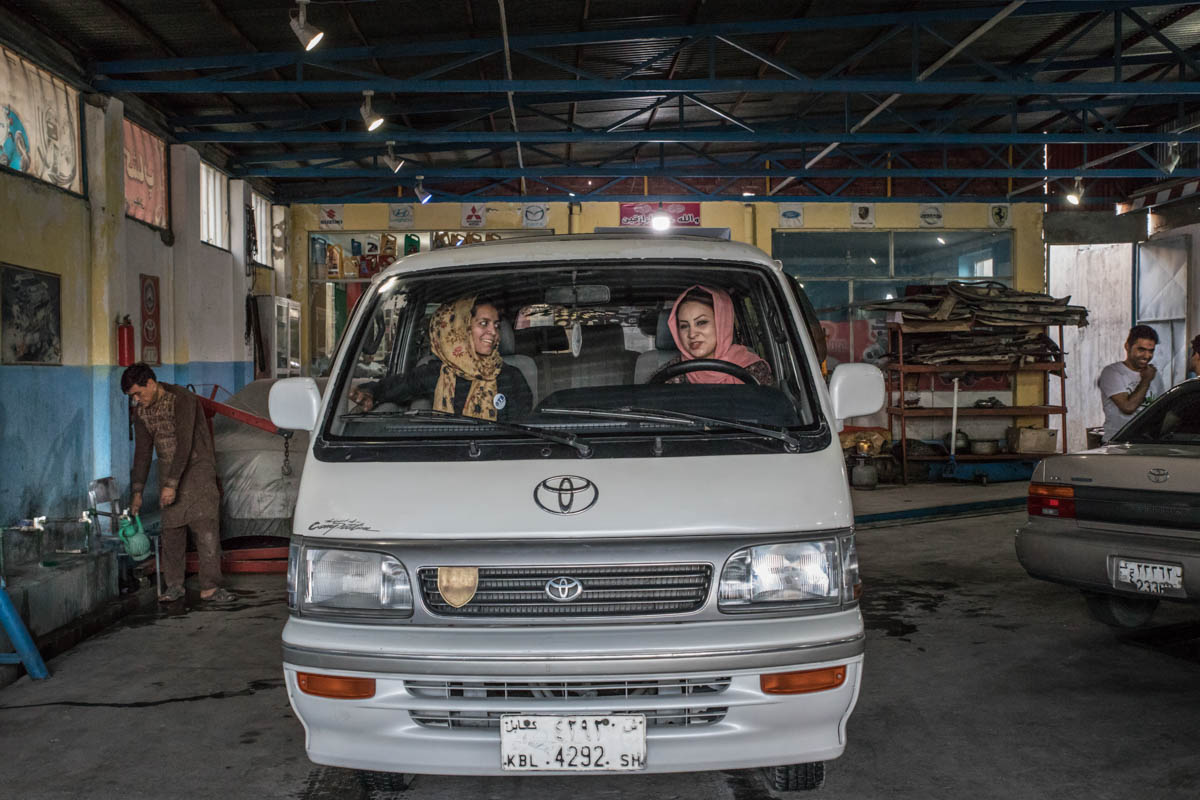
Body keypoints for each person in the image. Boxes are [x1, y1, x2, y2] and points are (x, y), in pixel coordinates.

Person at [122, 364, 232, 604]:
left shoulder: (182, 399)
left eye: (138, 393)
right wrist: (137, 491)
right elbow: (142, 453)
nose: (137, 400)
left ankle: (210, 587)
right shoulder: (141, 412)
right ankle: (174, 586)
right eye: (133, 397)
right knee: (171, 531)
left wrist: (171, 484)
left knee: (205, 529)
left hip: (198, 469)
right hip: (169, 472)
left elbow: (185, 444)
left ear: (151, 383)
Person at [350, 296, 532, 420]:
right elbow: (395, 386)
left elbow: (521, 433)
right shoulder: (436, 373)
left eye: (496, 325)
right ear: (461, 329)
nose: (493, 332)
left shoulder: (512, 377)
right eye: (483, 323)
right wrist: (370, 392)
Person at [664, 285, 775, 385]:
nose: (692, 334)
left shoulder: (752, 369)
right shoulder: (670, 373)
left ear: (722, 323)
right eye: (684, 326)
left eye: (701, 323)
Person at [1099, 324, 1162, 442]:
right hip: (1117, 443)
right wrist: (1146, 380)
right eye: (1141, 350)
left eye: (1151, 351)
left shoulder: (1155, 374)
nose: (1147, 356)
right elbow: (1128, 407)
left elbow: (1160, 410)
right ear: (1127, 347)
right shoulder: (1112, 372)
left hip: (1145, 443)